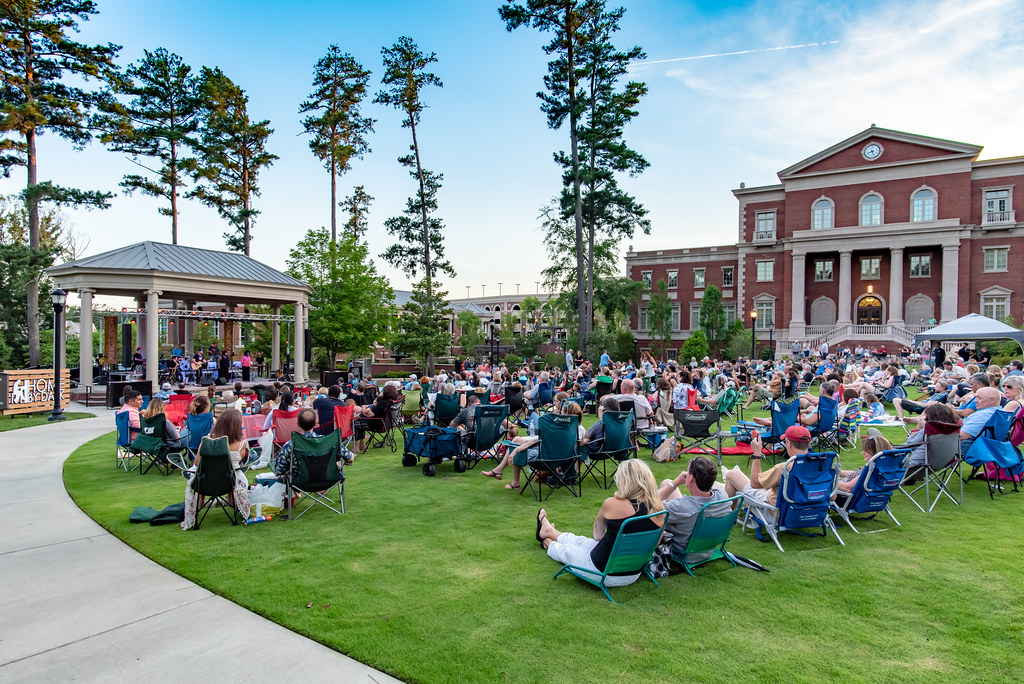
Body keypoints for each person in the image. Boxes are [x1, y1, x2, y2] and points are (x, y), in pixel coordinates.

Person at [535, 459, 666, 588]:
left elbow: (597, 535)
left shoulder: (612, 504)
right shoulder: (660, 511)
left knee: (568, 551)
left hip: (602, 572)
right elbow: (655, 544)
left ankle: (548, 542)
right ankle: (549, 531)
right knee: (581, 541)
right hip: (633, 573)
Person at [182, 408, 251, 530]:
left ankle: (201, 500)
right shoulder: (241, 444)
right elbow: (238, 463)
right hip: (228, 482)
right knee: (233, 471)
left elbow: (197, 463)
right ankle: (231, 500)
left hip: (204, 482)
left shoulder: (206, 440)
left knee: (205, 470)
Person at [656, 455, 732, 562]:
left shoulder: (680, 507)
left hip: (684, 554)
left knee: (663, 494)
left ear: (691, 478)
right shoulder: (722, 496)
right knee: (666, 482)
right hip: (708, 549)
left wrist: (675, 482)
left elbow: (650, 505)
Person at [724, 425, 813, 506]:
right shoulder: (821, 465)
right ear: (809, 443)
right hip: (808, 509)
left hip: (777, 512)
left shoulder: (785, 468)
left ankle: (728, 519)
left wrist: (757, 453)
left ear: (788, 443)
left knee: (732, 474)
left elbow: (754, 484)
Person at [273, 407, 354, 481]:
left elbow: (279, 470)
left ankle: (294, 493)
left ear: (297, 423)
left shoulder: (290, 445)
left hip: (299, 481)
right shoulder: (329, 442)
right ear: (315, 423)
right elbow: (350, 458)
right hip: (327, 479)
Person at [835, 431, 893, 500]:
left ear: (875, 452)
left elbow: (847, 488)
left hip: (842, 495)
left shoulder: (871, 471)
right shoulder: (882, 469)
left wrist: (829, 480)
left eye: (866, 450)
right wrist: (841, 472)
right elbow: (860, 475)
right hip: (867, 496)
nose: (863, 453)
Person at [353, 383, 400, 452]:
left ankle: (356, 447)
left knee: (356, 422)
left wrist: (363, 408)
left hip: (377, 425)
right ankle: (362, 445)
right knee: (359, 421)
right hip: (387, 424)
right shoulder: (391, 403)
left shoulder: (382, 404)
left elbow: (369, 415)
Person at [957, 386, 1001, 455]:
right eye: (976, 397)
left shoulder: (982, 415)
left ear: (992, 400)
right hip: (988, 447)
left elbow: (962, 436)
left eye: (979, 398)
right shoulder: (999, 412)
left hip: (965, 448)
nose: (975, 401)